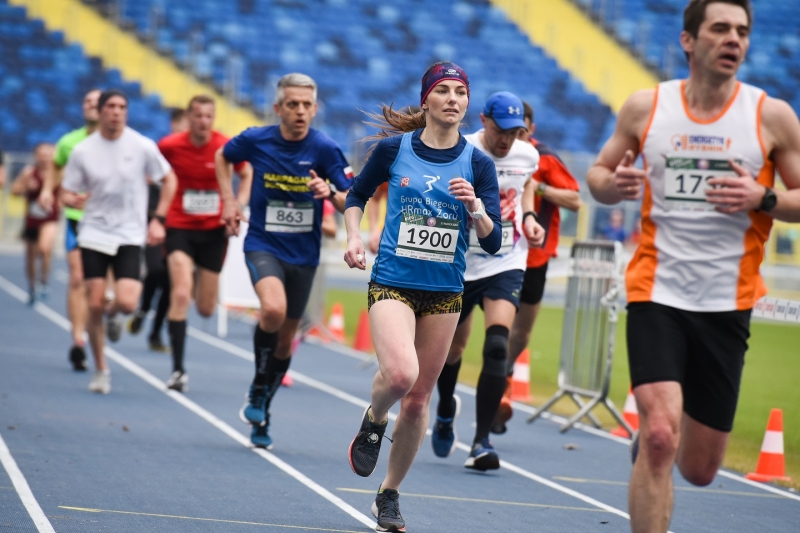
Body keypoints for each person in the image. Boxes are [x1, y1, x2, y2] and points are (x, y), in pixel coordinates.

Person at [586, 1, 800, 532]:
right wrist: (616, 186)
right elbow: (597, 174)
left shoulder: (769, 116)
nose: (734, 40)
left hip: (728, 302)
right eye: (721, 28)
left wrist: (763, 197)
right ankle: (653, 443)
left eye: (743, 32)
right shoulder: (646, 108)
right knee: (660, 435)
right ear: (688, 41)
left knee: (702, 469)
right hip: (656, 292)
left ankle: (659, 444)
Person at [343, 61, 502, 532]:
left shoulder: (478, 163)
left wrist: (475, 208)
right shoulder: (395, 150)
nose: (454, 99)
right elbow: (357, 195)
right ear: (427, 99)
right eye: (444, 91)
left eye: (461, 93)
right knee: (400, 375)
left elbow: (493, 242)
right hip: (392, 279)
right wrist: (353, 237)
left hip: (445, 293)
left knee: (417, 402)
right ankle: (373, 419)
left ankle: (388, 494)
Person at [216, 73, 352, 447]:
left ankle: (263, 407)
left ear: (315, 108)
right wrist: (229, 201)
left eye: (307, 105)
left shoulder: (325, 149)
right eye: (292, 104)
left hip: (304, 255)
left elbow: (350, 199)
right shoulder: (257, 139)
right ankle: (260, 387)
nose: (300, 111)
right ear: (278, 108)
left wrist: (330, 193)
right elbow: (223, 157)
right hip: (263, 244)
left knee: (284, 342)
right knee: (272, 311)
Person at [431, 91, 545, 471]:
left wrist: (529, 216)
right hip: (460, 265)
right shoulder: (461, 150)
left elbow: (526, 182)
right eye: (500, 130)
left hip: (505, 259)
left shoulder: (527, 154)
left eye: (515, 132)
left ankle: (481, 441)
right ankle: (446, 409)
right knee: (452, 350)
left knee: (498, 345)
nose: (506, 140)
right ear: (484, 121)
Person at [61, 89, 173, 394]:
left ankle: (114, 316)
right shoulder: (83, 150)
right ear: (99, 111)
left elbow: (169, 179)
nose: (116, 112)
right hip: (94, 232)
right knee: (94, 303)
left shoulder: (141, 145)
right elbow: (67, 191)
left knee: (126, 302)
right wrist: (73, 198)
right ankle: (101, 369)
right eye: (110, 106)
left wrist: (158, 218)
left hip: (129, 233)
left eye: (122, 107)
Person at [149, 95, 252, 392]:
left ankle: (192, 272)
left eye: (209, 116)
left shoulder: (225, 146)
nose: (203, 121)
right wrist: (156, 213)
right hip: (179, 226)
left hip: (213, 231)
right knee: (180, 294)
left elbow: (247, 174)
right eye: (198, 116)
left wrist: (236, 205)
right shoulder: (169, 146)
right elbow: (149, 173)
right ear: (189, 117)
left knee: (206, 308)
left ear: (213, 118)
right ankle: (178, 371)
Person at [494, 101, 582, 433]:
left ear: (530, 129)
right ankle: (490, 381)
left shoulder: (544, 157)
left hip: (535, 256)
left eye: (521, 127)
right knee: (494, 327)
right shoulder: (489, 153)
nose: (514, 133)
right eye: (507, 127)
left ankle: (503, 376)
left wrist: (539, 187)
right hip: (495, 254)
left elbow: (575, 199)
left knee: (522, 330)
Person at [46, 89, 101, 371]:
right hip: (78, 217)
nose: (92, 106)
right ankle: (78, 341)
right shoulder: (70, 142)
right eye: (87, 101)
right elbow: (55, 167)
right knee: (78, 277)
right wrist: (48, 190)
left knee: (103, 289)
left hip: (112, 222)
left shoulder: (124, 142)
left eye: (96, 102)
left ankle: (110, 313)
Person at [128, 108, 190, 352]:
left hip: (181, 225)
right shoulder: (160, 151)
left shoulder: (193, 155)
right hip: (156, 219)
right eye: (183, 124)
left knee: (171, 284)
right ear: (173, 124)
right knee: (154, 270)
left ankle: (155, 332)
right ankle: (143, 309)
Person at [10, 143, 60, 305]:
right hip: (32, 219)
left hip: (50, 218)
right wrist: (26, 187)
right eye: (41, 154)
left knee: (45, 248)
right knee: (30, 257)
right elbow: (14, 190)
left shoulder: (59, 173)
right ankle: (32, 288)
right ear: (36, 156)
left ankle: (44, 282)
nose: (45, 158)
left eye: (48, 154)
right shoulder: (30, 172)